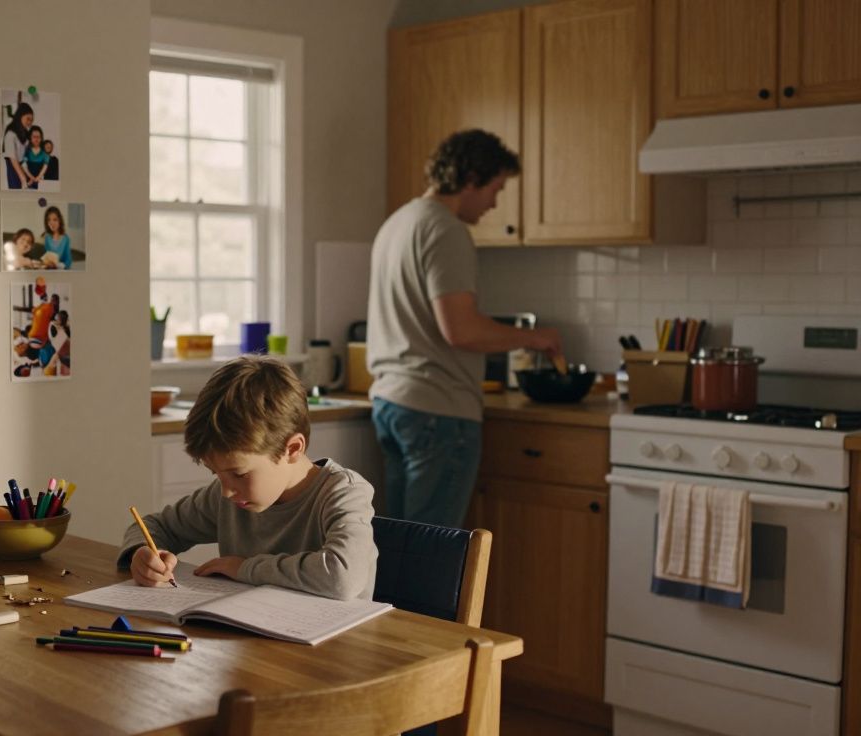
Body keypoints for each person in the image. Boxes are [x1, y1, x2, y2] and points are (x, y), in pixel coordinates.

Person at [367, 129, 562, 528]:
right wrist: (535, 338)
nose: (494, 203)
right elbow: (462, 330)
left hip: (392, 402)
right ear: (471, 179)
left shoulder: (398, 223)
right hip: (437, 408)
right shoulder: (446, 229)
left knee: (400, 545)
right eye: (496, 188)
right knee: (431, 552)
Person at [117, 356, 377, 601]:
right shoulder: (229, 498)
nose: (226, 491)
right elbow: (153, 526)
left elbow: (342, 577)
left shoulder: (344, 493)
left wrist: (245, 568)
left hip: (339, 646)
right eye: (216, 474)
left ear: (293, 449)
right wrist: (142, 553)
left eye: (239, 474)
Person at [1, 102, 33, 189]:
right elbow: (13, 159)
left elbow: (24, 157)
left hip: (22, 167)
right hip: (13, 168)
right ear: (20, 116)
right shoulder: (10, 133)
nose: (30, 123)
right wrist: (22, 177)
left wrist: (28, 175)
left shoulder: (25, 134)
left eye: (31, 120)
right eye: (28, 119)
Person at [41, 206, 72, 270]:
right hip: (50, 270)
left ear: (60, 220)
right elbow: (46, 257)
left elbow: (68, 260)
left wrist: (60, 265)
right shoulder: (47, 237)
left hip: (61, 271)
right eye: (48, 220)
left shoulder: (66, 239)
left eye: (55, 219)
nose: (51, 223)